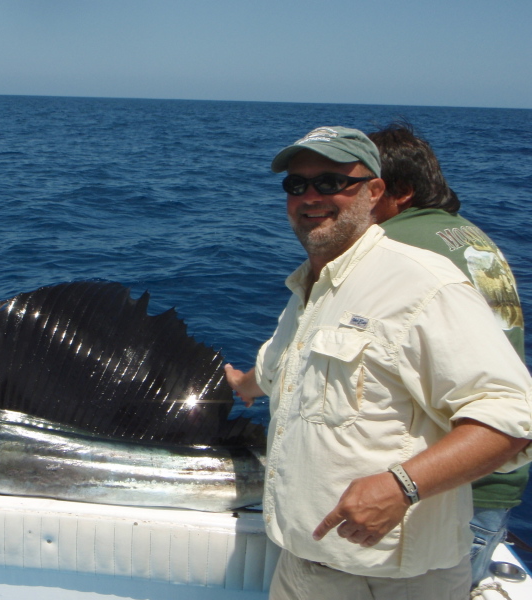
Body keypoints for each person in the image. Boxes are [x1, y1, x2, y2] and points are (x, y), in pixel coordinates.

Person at [224, 126, 532, 599]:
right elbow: (280, 366)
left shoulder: (422, 283)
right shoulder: (312, 284)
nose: (311, 196)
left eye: (331, 182)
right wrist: (241, 385)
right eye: (297, 185)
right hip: (303, 559)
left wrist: (401, 486)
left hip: (392, 578)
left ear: (375, 191)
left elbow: (512, 417)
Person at [368, 121, 528, 587]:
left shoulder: (398, 248)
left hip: (444, 493)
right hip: (495, 483)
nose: (349, 202)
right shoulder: (469, 237)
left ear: (398, 192)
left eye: (363, 188)